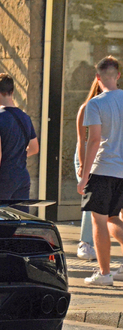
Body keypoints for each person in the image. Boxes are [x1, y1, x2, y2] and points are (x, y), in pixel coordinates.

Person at [77, 56, 123, 286]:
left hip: (103, 169)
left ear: (97, 77)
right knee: (115, 218)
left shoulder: (95, 104)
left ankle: (104, 274)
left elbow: (93, 140)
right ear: (118, 75)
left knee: (100, 221)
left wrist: (84, 176)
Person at [0, 73, 39, 201]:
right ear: (12, 92)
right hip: (22, 177)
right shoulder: (25, 118)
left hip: (3, 178)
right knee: (18, 218)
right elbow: (34, 148)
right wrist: (16, 154)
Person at [74, 78, 102, 261]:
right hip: (86, 156)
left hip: (104, 157)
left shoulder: (114, 106)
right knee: (91, 198)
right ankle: (85, 242)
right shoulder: (86, 107)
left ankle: (91, 243)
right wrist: (84, 166)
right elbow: (81, 140)